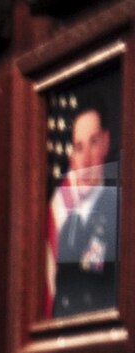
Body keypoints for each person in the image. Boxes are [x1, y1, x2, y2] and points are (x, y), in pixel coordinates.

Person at [47, 107, 119, 320]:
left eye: (93, 142)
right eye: (79, 148)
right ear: (73, 158)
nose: (86, 161)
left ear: (106, 142)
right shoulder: (69, 224)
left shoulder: (121, 212)